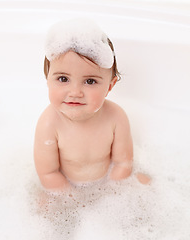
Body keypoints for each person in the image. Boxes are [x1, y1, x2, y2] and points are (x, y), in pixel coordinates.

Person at [34, 19, 150, 191]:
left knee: (147, 184)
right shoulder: (49, 123)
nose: (75, 92)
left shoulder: (116, 117)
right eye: (63, 79)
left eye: (90, 81)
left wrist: (112, 192)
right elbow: (48, 174)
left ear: (110, 86)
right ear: (47, 80)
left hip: (107, 184)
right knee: (43, 206)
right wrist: (72, 200)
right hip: (65, 188)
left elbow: (123, 163)